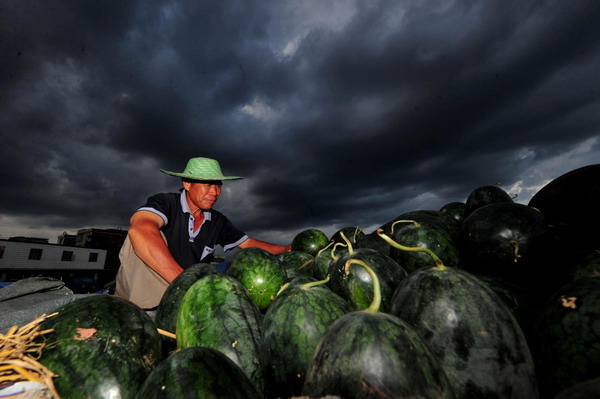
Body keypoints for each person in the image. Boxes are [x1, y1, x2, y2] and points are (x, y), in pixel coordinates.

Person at [114, 156, 291, 309]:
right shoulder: (165, 203)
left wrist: (286, 249)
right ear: (187, 184)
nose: (215, 192)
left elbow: (248, 244)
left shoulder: (217, 221)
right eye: (208, 185)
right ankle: (146, 310)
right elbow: (140, 230)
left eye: (218, 186)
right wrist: (185, 283)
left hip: (185, 297)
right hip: (154, 293)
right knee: (144, 234)